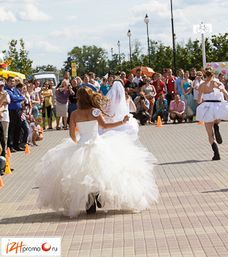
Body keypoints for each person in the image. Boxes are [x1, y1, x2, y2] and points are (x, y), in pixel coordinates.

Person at [35, 86, 158, 217]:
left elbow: (71, 134)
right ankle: (98, 196)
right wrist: (121, 122)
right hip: (98, 144)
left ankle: (91, 202)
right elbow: (105, 126)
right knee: (103, 172)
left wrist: (78, 143)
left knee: (84, 175)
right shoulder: (95, 111)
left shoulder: (75, 114)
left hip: (82, 145)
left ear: (78, 99)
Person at [196, 67, 228, 160]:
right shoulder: (217, 83)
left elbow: (199, 100)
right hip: (217, 105)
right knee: (217, 117)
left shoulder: (201, 85)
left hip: (208, 106)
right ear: (213, 75)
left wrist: (203, 100)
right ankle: (216, 125)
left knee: (209, 134)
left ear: (205, 75)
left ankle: (216, 153)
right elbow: (225, 94)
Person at [5, 77, 25, 151]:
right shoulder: (6, 90)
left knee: (18, 128)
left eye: (13, 81)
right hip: (11, 111)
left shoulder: (16, 90)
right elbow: (13, 99)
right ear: (7, 82)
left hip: (18, 111)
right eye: (10, 81)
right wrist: (18, 97)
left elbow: (22, 97)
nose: (12, 83)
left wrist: (18, 97)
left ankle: (17, 144)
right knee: (11, 128)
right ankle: (10, 145)